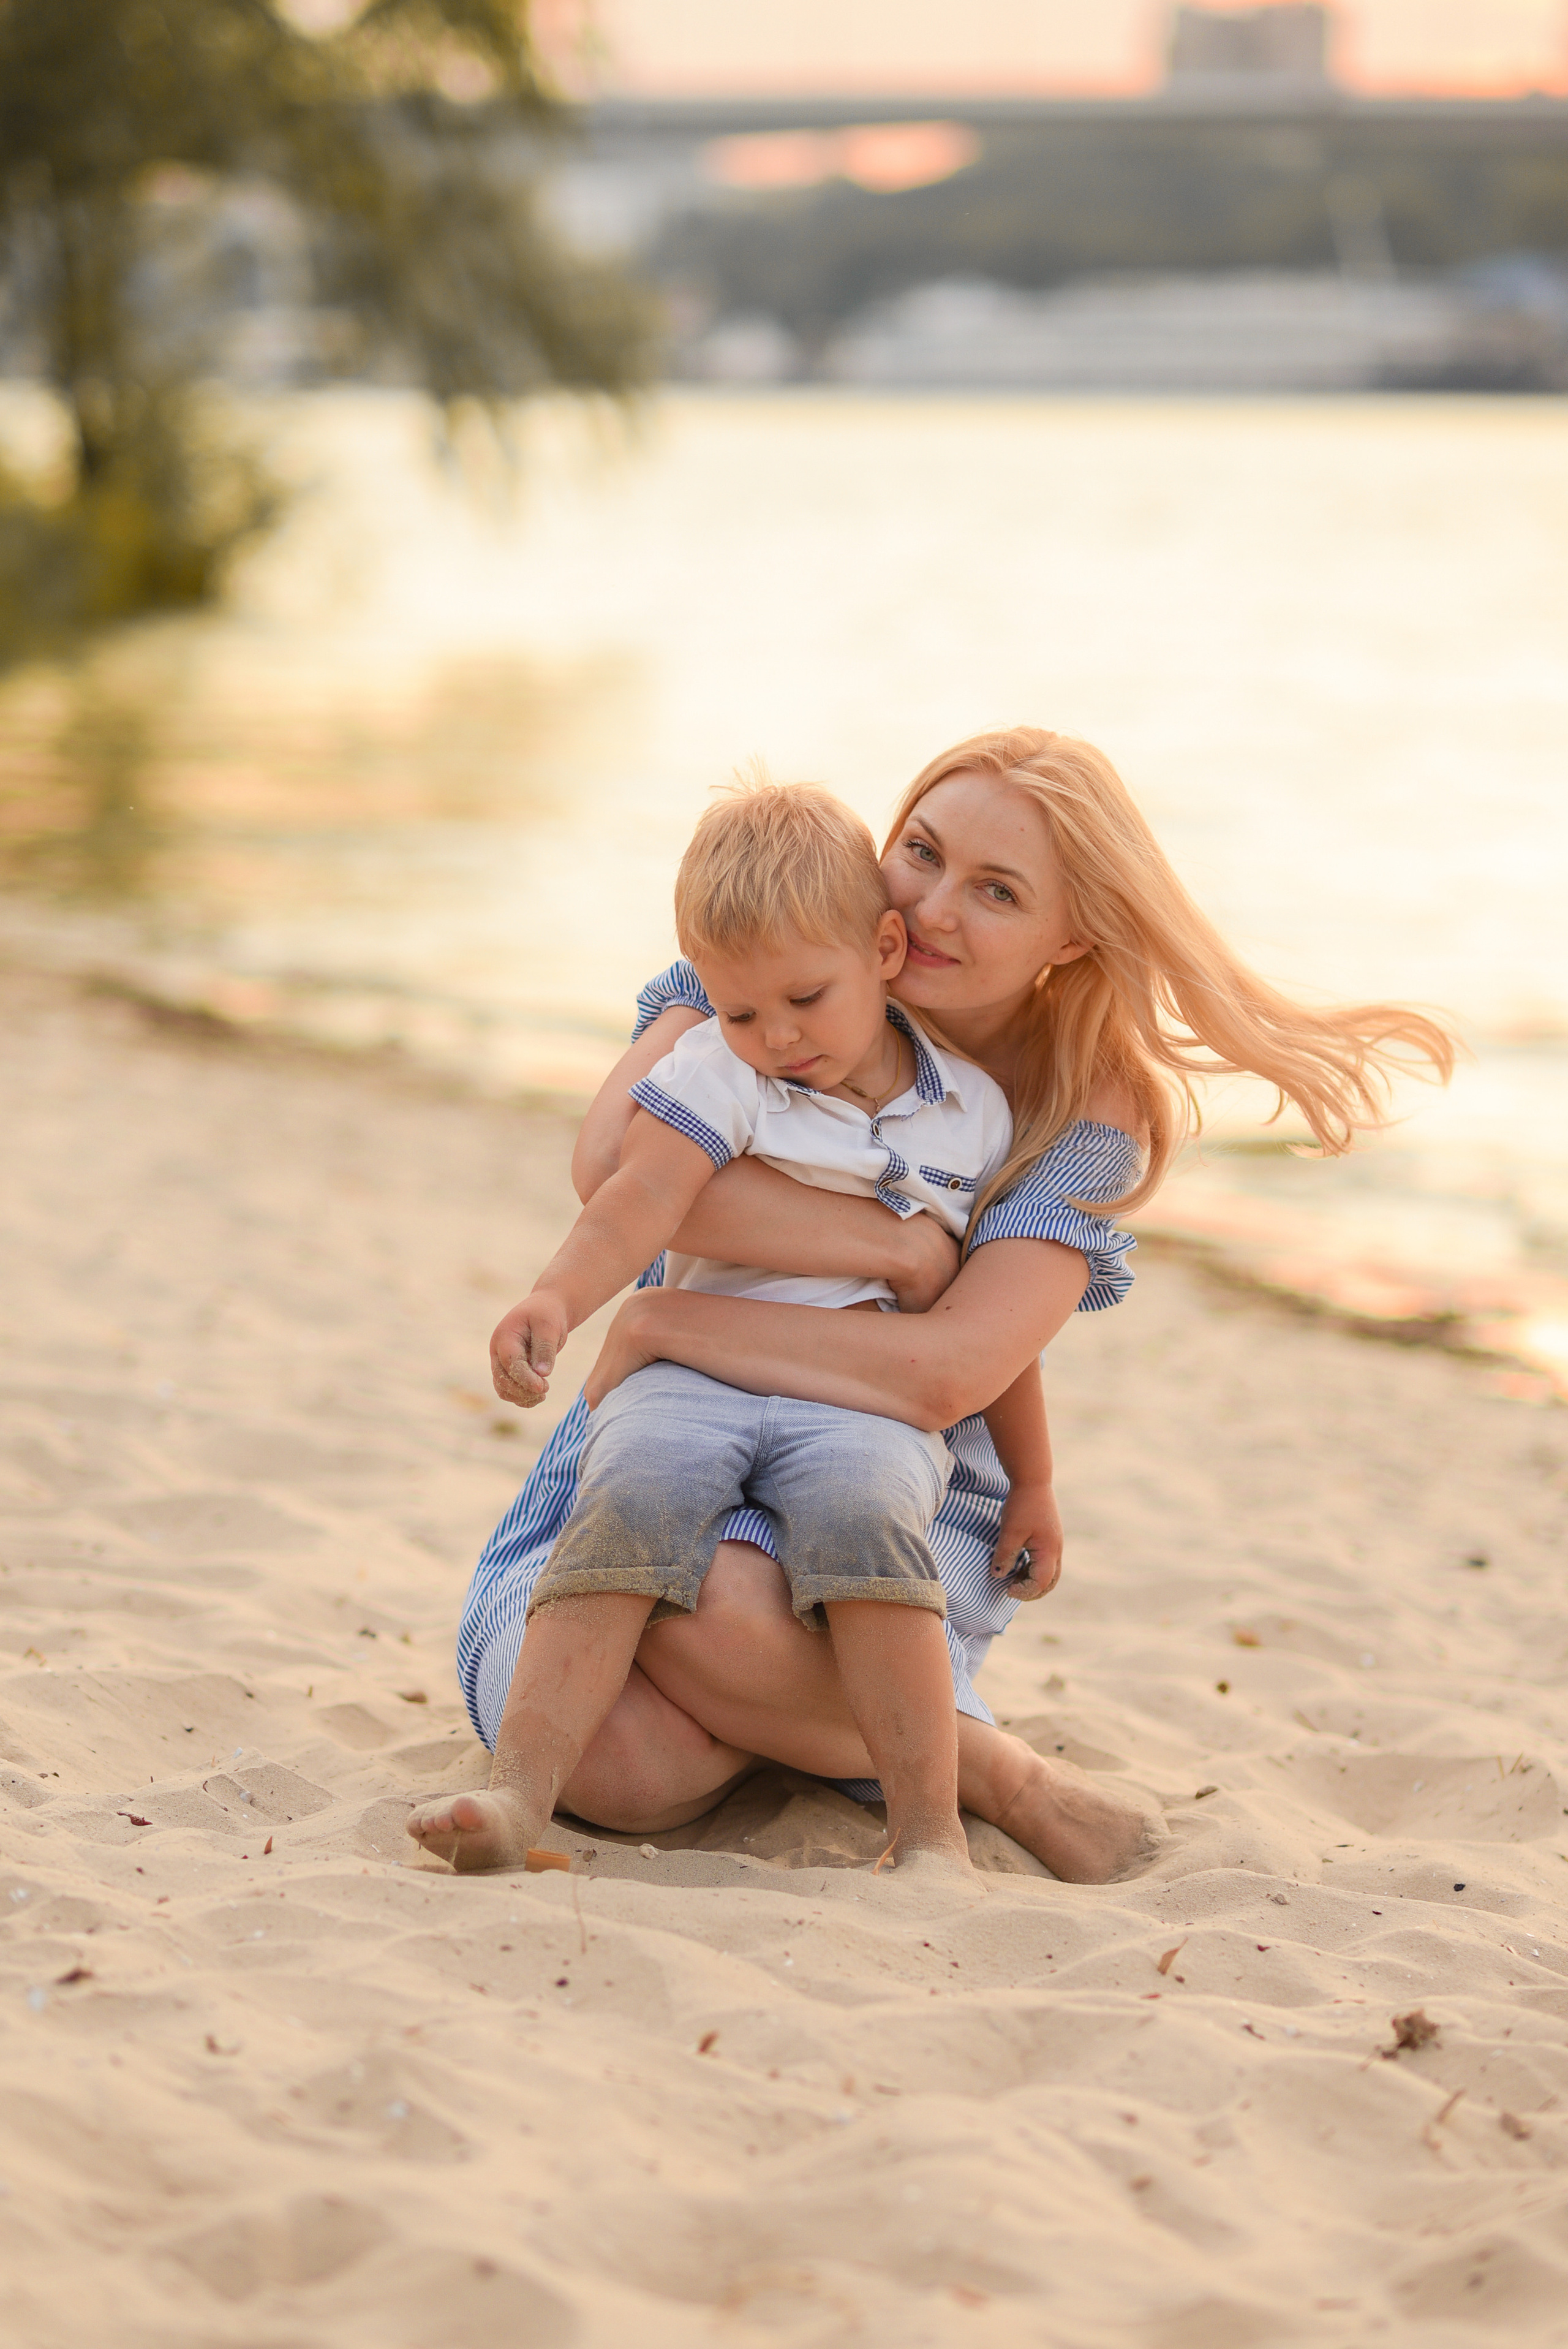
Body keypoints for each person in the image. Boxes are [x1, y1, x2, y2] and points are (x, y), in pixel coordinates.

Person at [442, 726, 1453, 1883]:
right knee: (620, 1765)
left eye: (998, 891)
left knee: (722, 1610)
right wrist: (899, 1253)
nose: (930, 910)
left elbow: (945, 1373)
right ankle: (953, 1759)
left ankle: (902, 1756)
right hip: (677, 1430)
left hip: (871, 1461)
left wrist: (670, 1321)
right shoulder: (782, 969)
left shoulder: (1076, 1110)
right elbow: (617, 1169)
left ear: (1071, 936)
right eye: (920, 852)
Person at [409, 777, 1047, 1877]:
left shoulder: (974, 1115)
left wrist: (1032, 1480)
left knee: (869, 1524)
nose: (779, 1037)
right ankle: (521, 1789)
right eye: (744, 1010)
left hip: (858, 1395)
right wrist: (558, 1299)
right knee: (627, 1499)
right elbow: (637, 1195)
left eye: (805, 1000)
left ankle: (930, 1831)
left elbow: (990, 1328)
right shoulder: (721, 1066)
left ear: (886, 950)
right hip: (688, 1374)